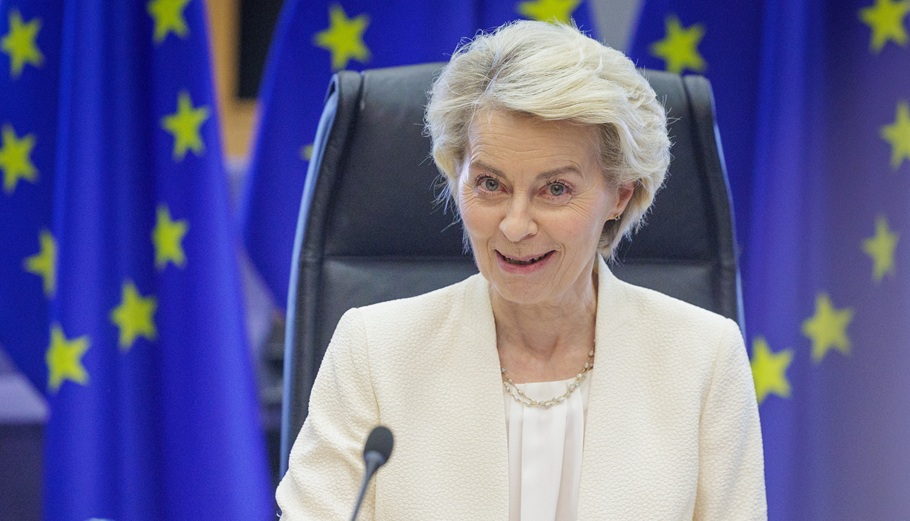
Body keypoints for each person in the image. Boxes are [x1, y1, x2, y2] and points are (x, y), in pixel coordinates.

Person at [276, 20, 766, 520]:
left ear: (619, 195)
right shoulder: (374, 353)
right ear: (457, 174)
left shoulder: (703, 359)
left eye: (555, 189)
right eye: (490, 184)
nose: (514, 225)